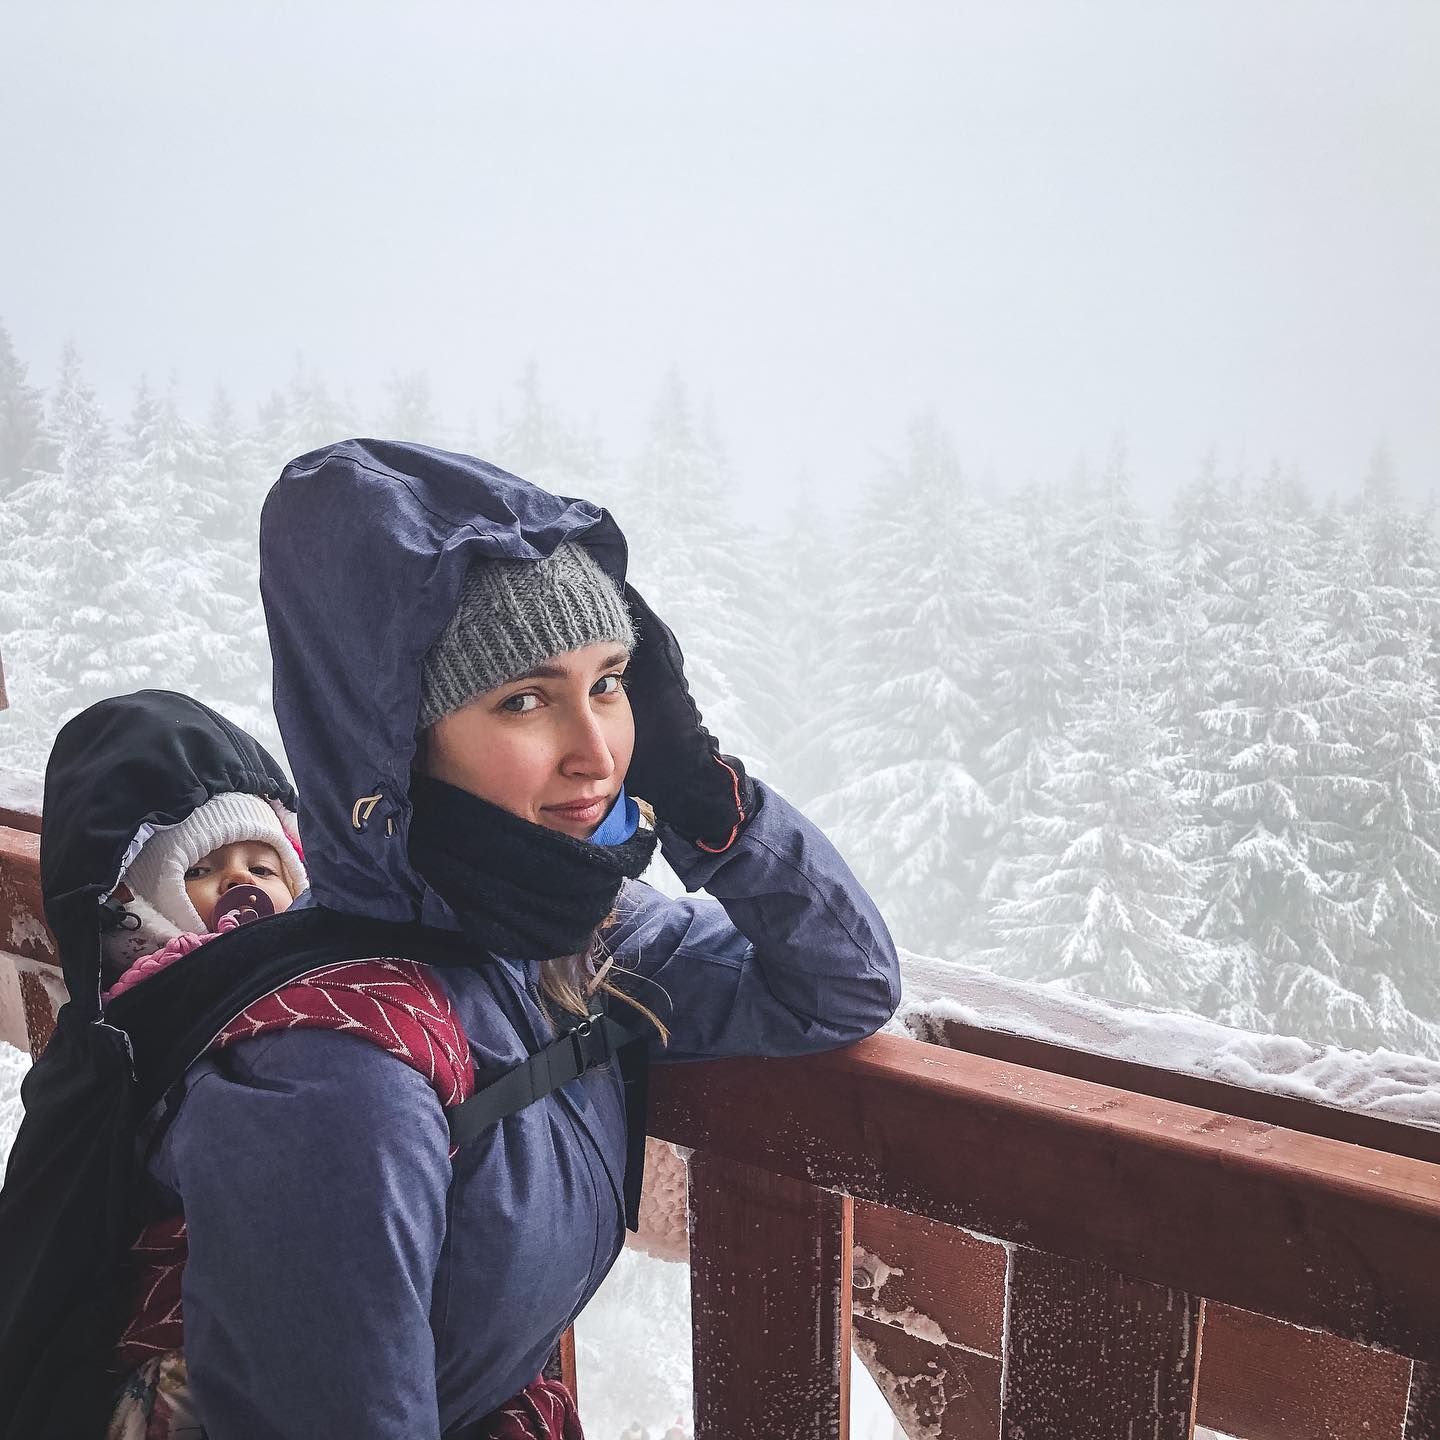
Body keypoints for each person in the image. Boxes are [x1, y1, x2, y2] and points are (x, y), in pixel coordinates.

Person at [137, 439, 901, 1439]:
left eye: (613, 682)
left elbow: (839, 986)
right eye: (525, 699)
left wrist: (705, 797)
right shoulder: (332, 1088)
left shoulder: (556, 938)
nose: (598, 753)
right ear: (393, 743)